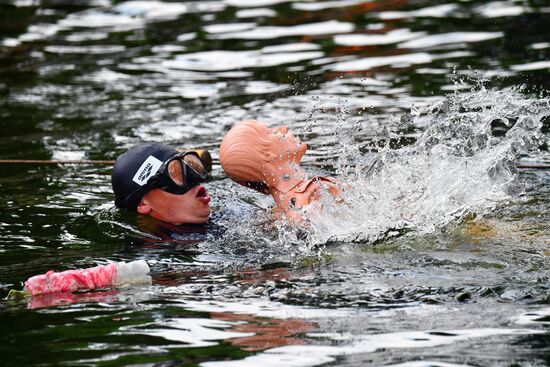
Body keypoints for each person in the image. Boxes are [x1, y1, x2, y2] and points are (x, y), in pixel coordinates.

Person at [219, 120, 342, 223]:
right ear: (268, 156)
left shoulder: (275, 217)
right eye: (271, 132)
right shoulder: (319, 190)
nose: (283, 128)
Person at [111, 143, 211, 225]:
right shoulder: (149, 248)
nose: (194, 180)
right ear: (143, 204)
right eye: (174, 174)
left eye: (192, 165)